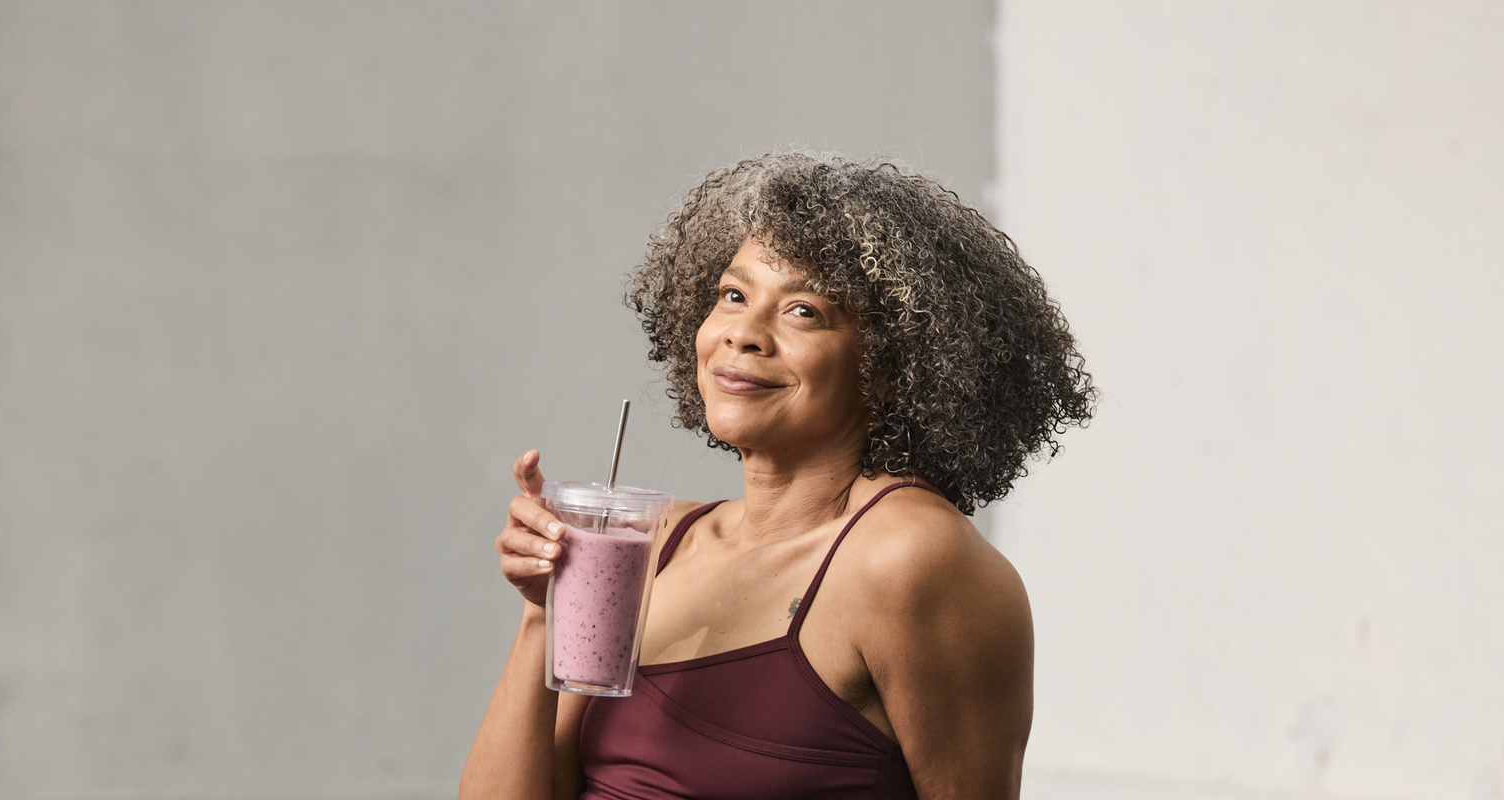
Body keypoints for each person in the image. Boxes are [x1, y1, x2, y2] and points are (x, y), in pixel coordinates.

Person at [461, 152, 1095, 800]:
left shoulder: (912, 559)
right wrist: (542, 616)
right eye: (734, 296)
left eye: (803, 311)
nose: (744, 334)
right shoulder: (651, 543)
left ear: (889, 365)